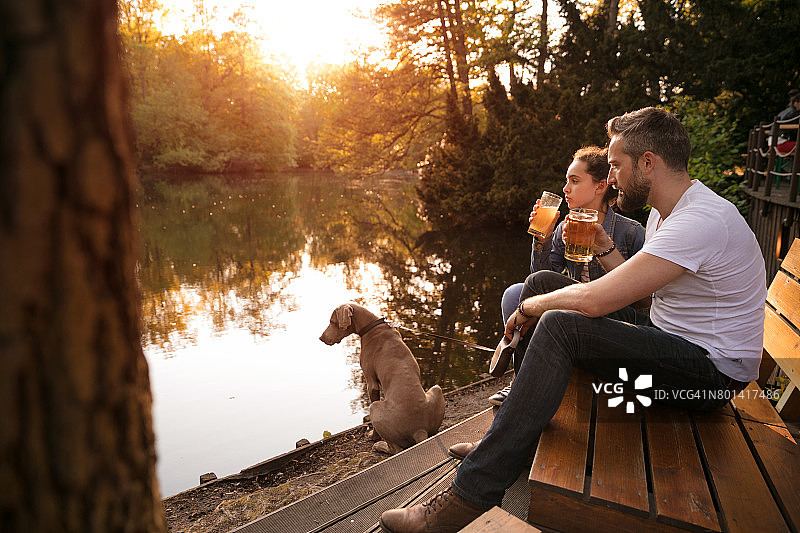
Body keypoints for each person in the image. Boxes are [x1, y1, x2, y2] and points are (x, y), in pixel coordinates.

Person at [378, 107, 766, 533]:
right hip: (672, 341)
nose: (612, 177)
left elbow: (594, 302)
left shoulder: (700, 220)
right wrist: (603, 246)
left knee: (559, 324)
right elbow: (644, 298)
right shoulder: (666, 211)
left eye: (616, 165)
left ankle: (465, 498)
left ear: (647, 162)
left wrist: (529, 309)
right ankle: (513, 439)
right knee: (542, 282)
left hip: (711, 375)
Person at [489, 146, 645, 405]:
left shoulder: (631, 232)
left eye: (574, 181)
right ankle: (524, 376)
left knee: (526, 295)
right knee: (514, 294)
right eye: (566, 181)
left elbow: (644, 299)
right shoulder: (566, 226)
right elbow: (540, 280)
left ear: (600, 186)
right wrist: (543, 238)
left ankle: (529, 379)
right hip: (572, 306)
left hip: (609, 316)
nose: (565, 189)